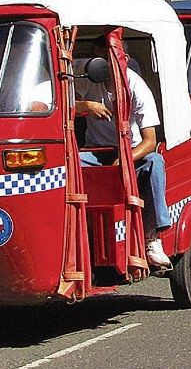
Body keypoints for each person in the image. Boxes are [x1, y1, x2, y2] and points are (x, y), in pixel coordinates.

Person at [74, 36, 172, 268]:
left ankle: (152, 236)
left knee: (155, 162)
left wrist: (125, 160)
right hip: (96, 153)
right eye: (97, 57)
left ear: (123, 59)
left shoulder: (136, 86)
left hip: (132, 153)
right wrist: (83, 106)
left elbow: (150, 141)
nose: (99, 63)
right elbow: (54, 102)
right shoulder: (86, 78)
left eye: (105, 57)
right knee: (68, 163)